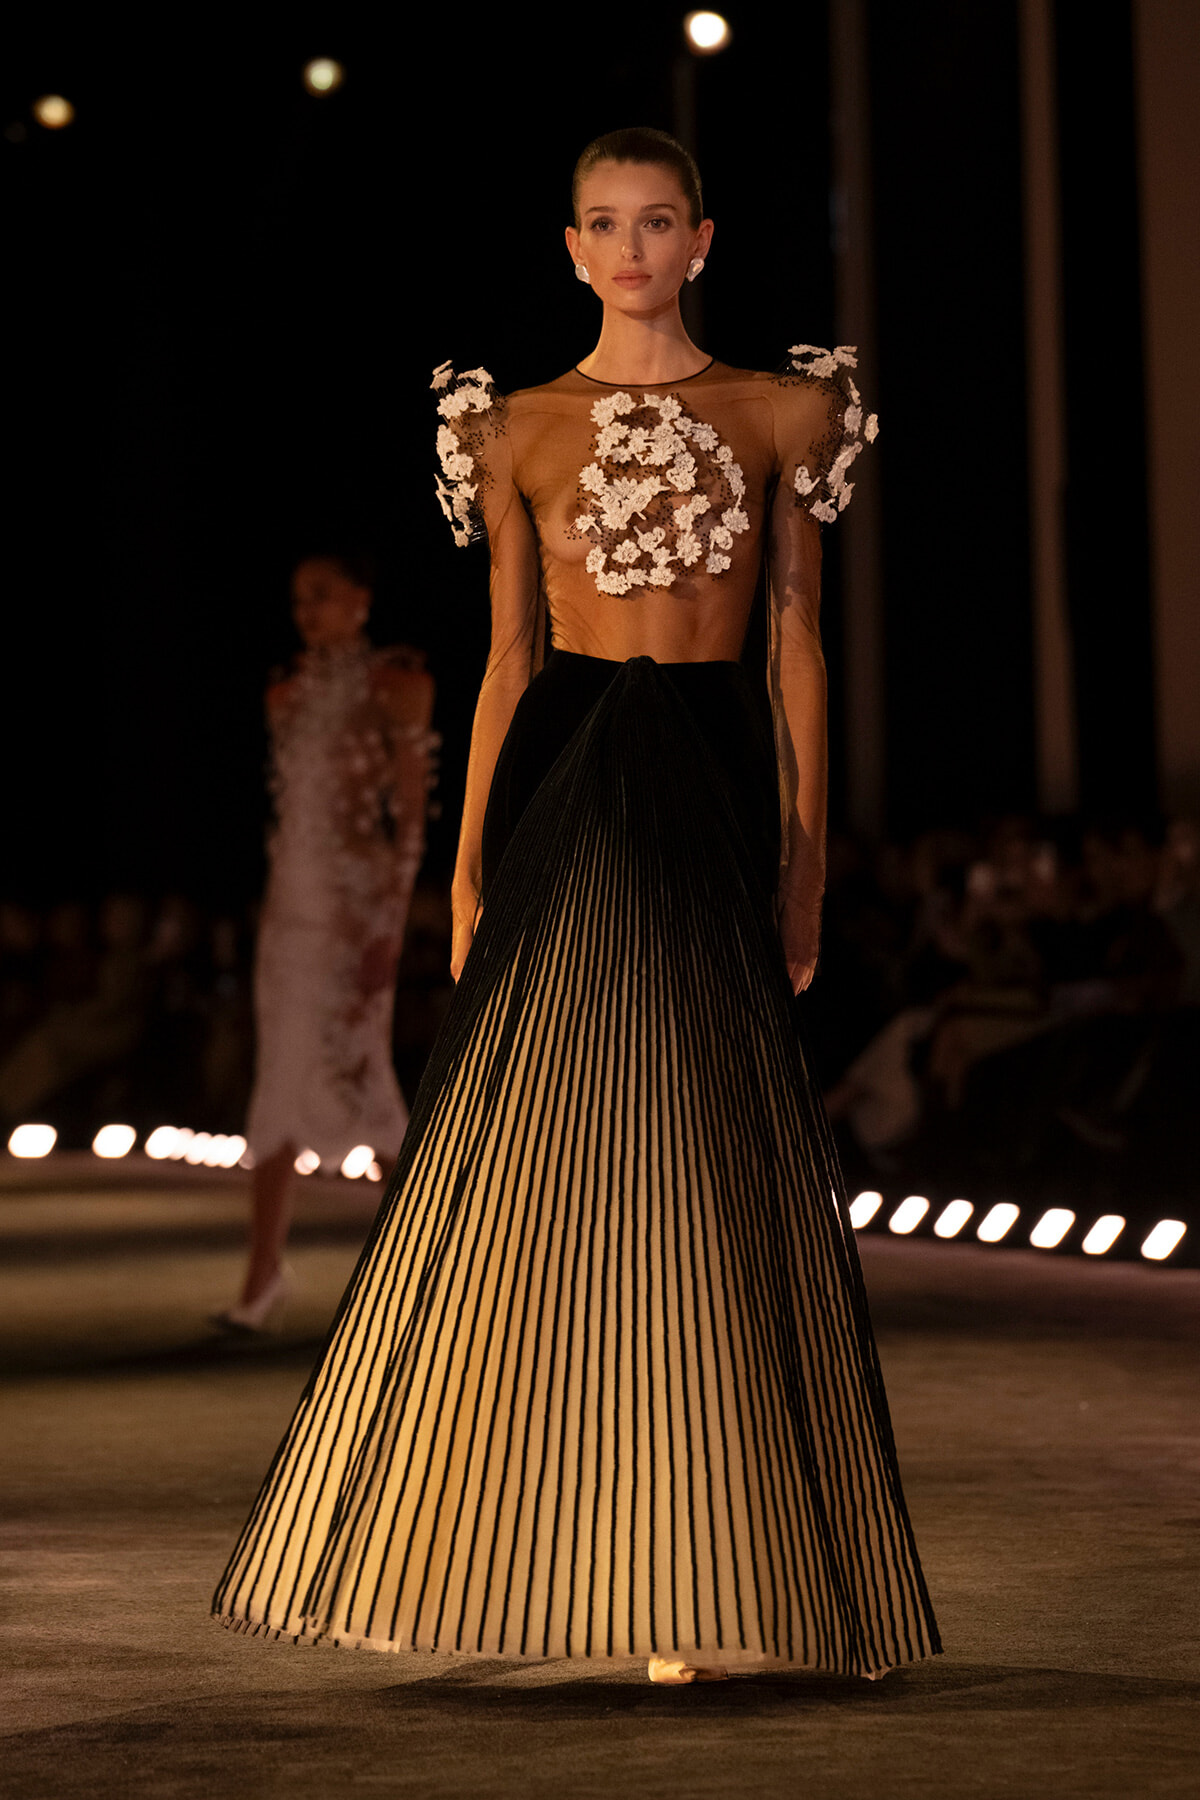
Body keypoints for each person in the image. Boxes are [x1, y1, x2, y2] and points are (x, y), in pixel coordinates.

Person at [214, 129, 942, 1683]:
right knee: (541, 1145)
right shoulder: (512, 427)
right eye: (604, 223)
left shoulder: (784, 410)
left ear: (702, 240)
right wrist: (468, 867)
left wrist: (808, 855)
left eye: (657, 221)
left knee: (707, 1143)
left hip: (710, 772)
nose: (630, 248)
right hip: (565, 775)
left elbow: (797, 644)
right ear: (570, 248)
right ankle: (458, 1544)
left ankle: (716, 1570)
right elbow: (507, 661)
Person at [213, 552, 436, 1329]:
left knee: (361, 1073)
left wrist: (389, 924)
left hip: (354, 907)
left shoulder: (397, 683)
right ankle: (261, 1277)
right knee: (279, 1079)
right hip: (291, 909)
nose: (307, 611)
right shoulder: (286, 693)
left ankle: (437, 1265)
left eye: (322, 595)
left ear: (360, 599)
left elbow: (410, 814)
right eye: (298, 599)